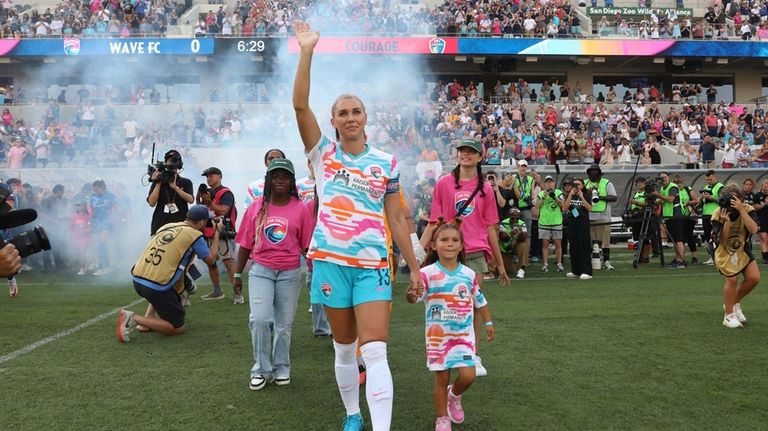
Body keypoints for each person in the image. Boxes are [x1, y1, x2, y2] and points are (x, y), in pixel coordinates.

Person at [293, 21, 423, 431]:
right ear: (333, 121)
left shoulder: (386, 162)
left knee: (378, 351)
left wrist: (415, 268)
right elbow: (299, 107)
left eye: (356, 111)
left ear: (366, 117)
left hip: (372, 266)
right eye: (342, 113)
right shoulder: (322, 155)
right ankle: (352, 414)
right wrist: (307, 51)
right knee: (345, 351)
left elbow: (396, 217)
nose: (350, 118)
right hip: (331, 263)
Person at [421, 138, 509, 379]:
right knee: (444, 305)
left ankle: (472, 354)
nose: (466, 155)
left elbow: (491, 226)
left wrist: (500, 264)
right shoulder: (444, 183)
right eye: (463, 151)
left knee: (471, 305)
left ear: (480, 157)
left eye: (471, 152)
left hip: (476, 250)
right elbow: (434, 220)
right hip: (448, 250)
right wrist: (418, 253)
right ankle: (444, 349)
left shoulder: (486, 189)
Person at [232, 159, 314, 390]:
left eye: (285, 177)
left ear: (291, 181)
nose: (280, 180)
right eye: (275, 176)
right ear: (268, 180)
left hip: (289, 272)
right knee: (259, 320)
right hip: (261, 271)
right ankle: (261, 369)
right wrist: (237, 275)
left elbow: (307, 246)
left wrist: (318, 271)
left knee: (283, 325)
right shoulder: (256, 207)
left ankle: (282, 367)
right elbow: (246, 244)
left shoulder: (301, 209)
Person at [405, 220, 494, 431]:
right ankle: (442, 418)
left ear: (462, 246)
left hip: (463, 336)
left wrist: (489, 322)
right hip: (438, 337)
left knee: (468, 375)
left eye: (455, 240)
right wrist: (411, 292)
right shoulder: (426, 273)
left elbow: (479, 300)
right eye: (444, 240)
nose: (450, 244)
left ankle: (454, 396)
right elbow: (413, 299)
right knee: (441, 378)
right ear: (434, 245)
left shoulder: (469, 274)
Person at [116, 205, 221, 342]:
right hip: (156, 286)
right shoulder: (195, 235)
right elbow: (211, 260)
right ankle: (133, 318)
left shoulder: (167, 226)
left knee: (163, 281)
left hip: (138, 279)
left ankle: (146, 322)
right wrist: (217, 233)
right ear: (201, 222)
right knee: (177, 327)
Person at [710, 185, 760, 328]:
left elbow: (754, 229)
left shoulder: (748, 209)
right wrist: (726, 221)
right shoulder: (719, 212)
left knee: (754, 278)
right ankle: (729, 316)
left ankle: (732, 304)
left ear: (741, 198)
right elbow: (722, 241)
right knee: (732, 279)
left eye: (733, 198)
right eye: (727, 197)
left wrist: (741, 209)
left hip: (742, 246)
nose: (730, 201)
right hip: (722, 249)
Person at [198, 167, 241, 303]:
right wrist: (199, 197)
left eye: (211, 175)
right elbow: (201, 210)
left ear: (219, 176)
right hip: (208, 231)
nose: (209, 178)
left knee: (228, 261)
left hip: (222, 231)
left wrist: (209, 202)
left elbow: (224, 210)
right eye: (207, 176)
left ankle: (238, 294)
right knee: (210, 262)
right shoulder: (209, 192)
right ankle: (217, 291)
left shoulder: (226, 192)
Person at [147, 150, 194, 236]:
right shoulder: (158, 182)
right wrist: (158, 182)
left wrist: (176, 188)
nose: (171, 164)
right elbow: (151, 203)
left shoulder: (186, 182)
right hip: (160, 227)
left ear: (179, 165)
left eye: (174, 161)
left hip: (180, 227)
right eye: (169, 161)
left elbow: (191, 200)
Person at [650, 172, 688, 268]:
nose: (663, 179)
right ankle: (678, 259)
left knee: (678, 239)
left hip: (676, 215)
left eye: (665, 177)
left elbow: (670, 199)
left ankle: (680, 261)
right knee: (675, 239)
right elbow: (663, 201)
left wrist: (657, 194)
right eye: (661, 178)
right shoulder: (663, 188)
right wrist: (652, 201)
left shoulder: (672, 187)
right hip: (669, 216)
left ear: (668, 178)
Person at [584, 165, 618, 270]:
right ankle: (589, 260)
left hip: (603, 214)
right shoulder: (584, 183)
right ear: (589, 173)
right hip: (588, 214)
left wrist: (600, 197)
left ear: (599, 172)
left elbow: (614, 197)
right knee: (589, 239)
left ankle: (606, 261)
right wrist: (587, 193)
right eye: (592, 171)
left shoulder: (606, 183)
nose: (594, 173)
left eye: (596, 171)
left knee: (605, 240)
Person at [562, 177, 593, 280]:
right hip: (572, 224)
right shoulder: (569, 195)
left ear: (582, 186)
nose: (576, 186)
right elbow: (564, 208)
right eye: (574, 184)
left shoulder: (587, 195)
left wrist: (582, 197)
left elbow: (589, 209)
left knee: (584, 247)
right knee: (574, 247)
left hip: (583, 224)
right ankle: (576, 270)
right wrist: (570, 195)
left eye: (578, 184)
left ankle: (586, 271)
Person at [536, 175, 565, 273]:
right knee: (545, 244)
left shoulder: (559, 192)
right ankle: (545, 264)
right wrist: (545, 197)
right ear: (544, 184)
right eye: (547, 182)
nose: (549, 184)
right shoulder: (541, 193)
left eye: (551, 182)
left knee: (558, 244)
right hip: (544, 222)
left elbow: (562, 205)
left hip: (556, 221)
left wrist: (554, 197)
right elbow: (537, 205)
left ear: (554, 183)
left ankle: (559, 263)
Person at [88, 180, 116, 276]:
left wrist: (119, 219)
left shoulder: (111, 196)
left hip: (107, 222)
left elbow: (116, 209)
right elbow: (91, 211)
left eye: (96, 189)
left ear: (102, 187)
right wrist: (89, 222)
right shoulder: (92, 197)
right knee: (99, 246)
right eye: (94, 189)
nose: (95, 191)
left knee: (101, 245)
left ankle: (102, 267)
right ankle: (106, 266)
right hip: (96, 223)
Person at [700, 170, 724, 265]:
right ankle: (712, 256)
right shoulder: (706, 187)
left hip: (716, 215)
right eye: (707, 180)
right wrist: (701, 199)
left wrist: (711, 198)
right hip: (706, 214)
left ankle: (718, 257)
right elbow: (704, 201)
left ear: (715, 177)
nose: (708, 181)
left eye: (710, 179)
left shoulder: (721, 187)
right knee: (707, 236)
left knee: (715, 236)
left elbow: (723, 201)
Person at [499, 208, 529, 279]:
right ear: (509, 217)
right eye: (512, 218)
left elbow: (524, 238)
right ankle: (514, 264)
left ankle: (522, 268)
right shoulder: (503, 223)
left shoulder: (522, 224)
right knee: (510, 270)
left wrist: (520, 233)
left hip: (515, 246)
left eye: (517, 218)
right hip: (506, 249)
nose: (515, 220)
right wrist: (510, 234)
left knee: (524, 243)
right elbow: (504, 239)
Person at [512, 159, 536, 234]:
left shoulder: (530, 179)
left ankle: (527, 245)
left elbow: (532, 193)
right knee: (515, 230)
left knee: (527, 231)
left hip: (526, 207)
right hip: (515, 206)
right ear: (518, 167)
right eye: (522, 166)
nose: (523, 168)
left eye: (525, 166)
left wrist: (534, 199)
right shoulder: (513, 177)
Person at [753, 179, 768, 264]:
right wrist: (763, 205)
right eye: (765, 186)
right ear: (762, 187)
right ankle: (765, 257)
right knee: (763, 238)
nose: (766, 188)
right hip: (761, 219)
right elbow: (755, 207)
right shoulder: (757, 195)